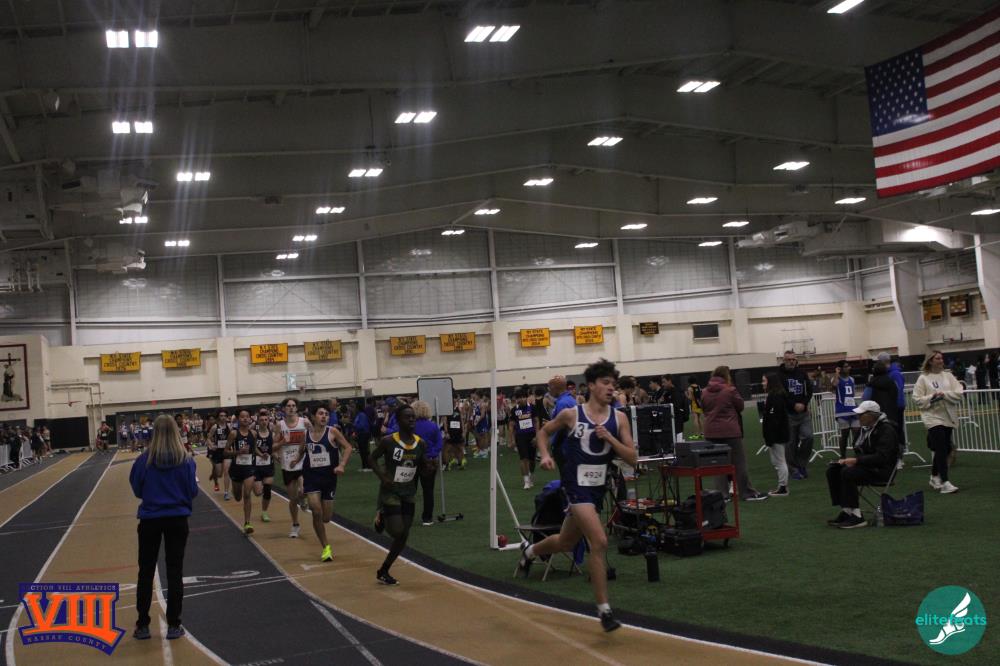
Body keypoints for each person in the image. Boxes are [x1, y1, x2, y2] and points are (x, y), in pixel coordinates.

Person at [520, 359, 637, 633]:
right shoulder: (572, 414)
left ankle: (530, 551)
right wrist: (545, 455)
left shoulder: (619, 418)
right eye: (605, 383)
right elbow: (543, 433)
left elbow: (632, 458)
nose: (611, 388)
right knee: (599, 541)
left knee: (565, 542)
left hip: (596, 489)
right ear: (592, 386)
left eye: (613, 384)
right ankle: (604, 611)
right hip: (575, 487)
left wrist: (611, 439)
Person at [128, 414, 198, 641]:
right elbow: (193, 491)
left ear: (155, 433)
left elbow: (137, 489)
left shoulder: (144, 461)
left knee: (146, 572)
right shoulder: (186, 461)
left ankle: (143, 624)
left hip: (150, 519)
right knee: (175, 571)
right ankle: (174, 624)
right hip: (177, 518)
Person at [370, 404, 431, 584]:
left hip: (409, 492)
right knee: (397, 531)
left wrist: (429, 468)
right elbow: (372, 458)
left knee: (404, 534)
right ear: (398, 420)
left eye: (413, 417)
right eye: (407, 417)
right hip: (391, 492)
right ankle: (382, 514)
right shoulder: (388, 441)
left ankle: (384, 570)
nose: (411, 419)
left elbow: (423, 467)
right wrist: (382, 477)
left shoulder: (420, 443)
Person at [825, 401, 900, 529]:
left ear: (872, 415)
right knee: (833, 470)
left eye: (861, 414)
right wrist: (850, 461)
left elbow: (882, 457)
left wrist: (856, 461)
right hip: (868, 466)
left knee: (848, 473)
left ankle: (857, 517)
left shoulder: (886, 430)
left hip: (882, 470)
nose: (858, 417)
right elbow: (859, 450)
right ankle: (847, 510)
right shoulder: (864, 429)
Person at [292, 405, 351, 561]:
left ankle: (303, 496)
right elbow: (301, 451)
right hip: (311, 477)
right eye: (320, 413)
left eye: (326, 414)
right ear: (313, 416)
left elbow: (348, 447)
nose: (324, 416)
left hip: (329, 479)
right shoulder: (306, 435)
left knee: (326, 518)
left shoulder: (333, 432)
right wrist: (296, 460)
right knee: (316, 511)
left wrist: (342, 465)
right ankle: (326, 547)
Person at [701, 366, 767, 502]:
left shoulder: (705, 392)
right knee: (739, 463)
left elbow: (704, 408)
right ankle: (746, 492)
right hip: (730, 430)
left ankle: (722, 495)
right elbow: (740, 406)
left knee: (717, 463)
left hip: (711, 431)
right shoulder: (729, 390)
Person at [912, 351, 963, 494]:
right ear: (930, 361)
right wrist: (932, 397)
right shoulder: (923, 378)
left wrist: (944, 395)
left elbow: (959, 392)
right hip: (932, 417)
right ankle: (945, 482)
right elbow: (917, 399)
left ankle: (934, 476)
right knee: (940, 448)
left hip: (948, 416)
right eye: (938, 358)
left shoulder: (948, 376)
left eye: (941, 358)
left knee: (946, 448)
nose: (941, 361)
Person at [273, 397, 309, 538]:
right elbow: (273, 446)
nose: (291, 408)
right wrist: (281, 444)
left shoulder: (304, 422)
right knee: (293, 499)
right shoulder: (279, 425)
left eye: (293, 405)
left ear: (297, 408)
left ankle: (303, 498)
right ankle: (295, 524)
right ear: (283, 409)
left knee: (303, 490)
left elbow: (314, 438)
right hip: (287, 466)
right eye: (288, 406)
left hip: (303, 463)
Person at [777, 350, 813, 480]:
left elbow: (809, 390)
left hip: (803, 413)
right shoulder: (779, 375)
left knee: (808, 437)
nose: (791, 362)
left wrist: (804, 403)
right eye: (788, 360)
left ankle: (801, 464)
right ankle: (793, 469)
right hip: (788, 413)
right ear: (784, 360)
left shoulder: (802, 373)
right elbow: (781, 394)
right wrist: (793, 405)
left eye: (793, 359)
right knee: (790, 443)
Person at [226, 409, 259, 535]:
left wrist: (261, 455)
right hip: (236, 469)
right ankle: (234, 490)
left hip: (249, 468)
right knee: (238, 497)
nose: (245, 419)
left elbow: (254, 449)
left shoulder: (254, 433)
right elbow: (225, 451)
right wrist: (238, 452)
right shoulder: (234, 434)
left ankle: (247, 523)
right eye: (242, 417)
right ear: (238, 419)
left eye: (247, 416)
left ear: (250, 418)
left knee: (247, 494)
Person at [411, 400, 443, 526]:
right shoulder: (433, 426)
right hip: (429, 461)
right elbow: (439, 443)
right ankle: (427, 518)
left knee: (409, 491)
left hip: (412, 460)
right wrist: (432, 454)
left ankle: (408, 516)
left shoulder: (410, 426)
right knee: (428, 491)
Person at [761, 373, 792, 496]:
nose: (762, 383)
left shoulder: (775, 397)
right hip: (777, 433)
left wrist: (770, 436)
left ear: (770, 382)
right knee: (777, 461)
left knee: (780, 461)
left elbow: (775, 419)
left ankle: (783, 487)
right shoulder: (775, 395)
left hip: (777, 434)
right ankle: (782, 486)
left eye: (764, 381)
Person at [508, 387, 539, 489]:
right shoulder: (514, 410)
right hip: (520, 436)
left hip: (532, 436)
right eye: (518, 398)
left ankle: (531, 475)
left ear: (526, 397)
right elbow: (511, 426)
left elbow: (536, 421)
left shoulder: (532, 407)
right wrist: (511, 440)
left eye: (522, 397)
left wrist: (537, 436)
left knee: (532, 460)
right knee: (523, 458)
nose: (521, 399)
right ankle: (526, 481)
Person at [833, 361, 860, 458]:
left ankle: (857, 454)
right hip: (842, 411)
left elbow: (852, 394)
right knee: (845, 435)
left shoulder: (852, 379)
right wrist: (836, 373)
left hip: (853, 410)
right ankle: (843, 456)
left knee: (857, 432)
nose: (848, 368)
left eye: (848, 366)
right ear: (840, 368)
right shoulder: (837, 379)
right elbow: (834, 385)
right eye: (845, 367)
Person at [253, 409, 275, 523]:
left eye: (266, 420)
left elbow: (274, 448)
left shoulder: (272, 434)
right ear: (258, 421)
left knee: (267, 489)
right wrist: (261, 455)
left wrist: (276, 456)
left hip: (268, 466)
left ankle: (264, 512)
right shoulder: (254, 434)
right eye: (261, 420)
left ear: (268, 421)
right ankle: (253, 485)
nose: (264, 422)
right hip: (256, 466)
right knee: (257, 493)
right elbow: (253, 448)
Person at [206, 410, 231, 497]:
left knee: (226, 471)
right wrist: (211, 445)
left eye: (224, 415)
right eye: (221, 415)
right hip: (217, 452)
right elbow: (208, 438)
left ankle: (226, 492)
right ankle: (214, 474)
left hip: (227, 451)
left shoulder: (229, 426)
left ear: (227, 417)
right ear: (218, 417)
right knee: (219, 474)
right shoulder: (215, 427)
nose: (223, 417)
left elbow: (234, 437)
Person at [443, 398, 467, 471]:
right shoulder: (447, 411)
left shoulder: (459, 410)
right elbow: (445, 421)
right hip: (450, 433)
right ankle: (447, 465)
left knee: (459, 448)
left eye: (454, 401)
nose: (453, 403)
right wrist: (446, 432)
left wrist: (463, 432)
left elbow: (462, 421)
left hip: (458, 433)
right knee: (447, 449)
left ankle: (460, 464)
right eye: (452, 402)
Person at [352, 400, 373, 471]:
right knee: (362, 451)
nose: (354, 409)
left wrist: (354, 426)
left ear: (358, 408)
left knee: (364, 451)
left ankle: (368, 466)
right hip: (361, 435)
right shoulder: (359, 415)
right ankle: (364, 466)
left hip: (364, 435)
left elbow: (362, 426)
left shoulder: (362, 415)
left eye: (355, 407)